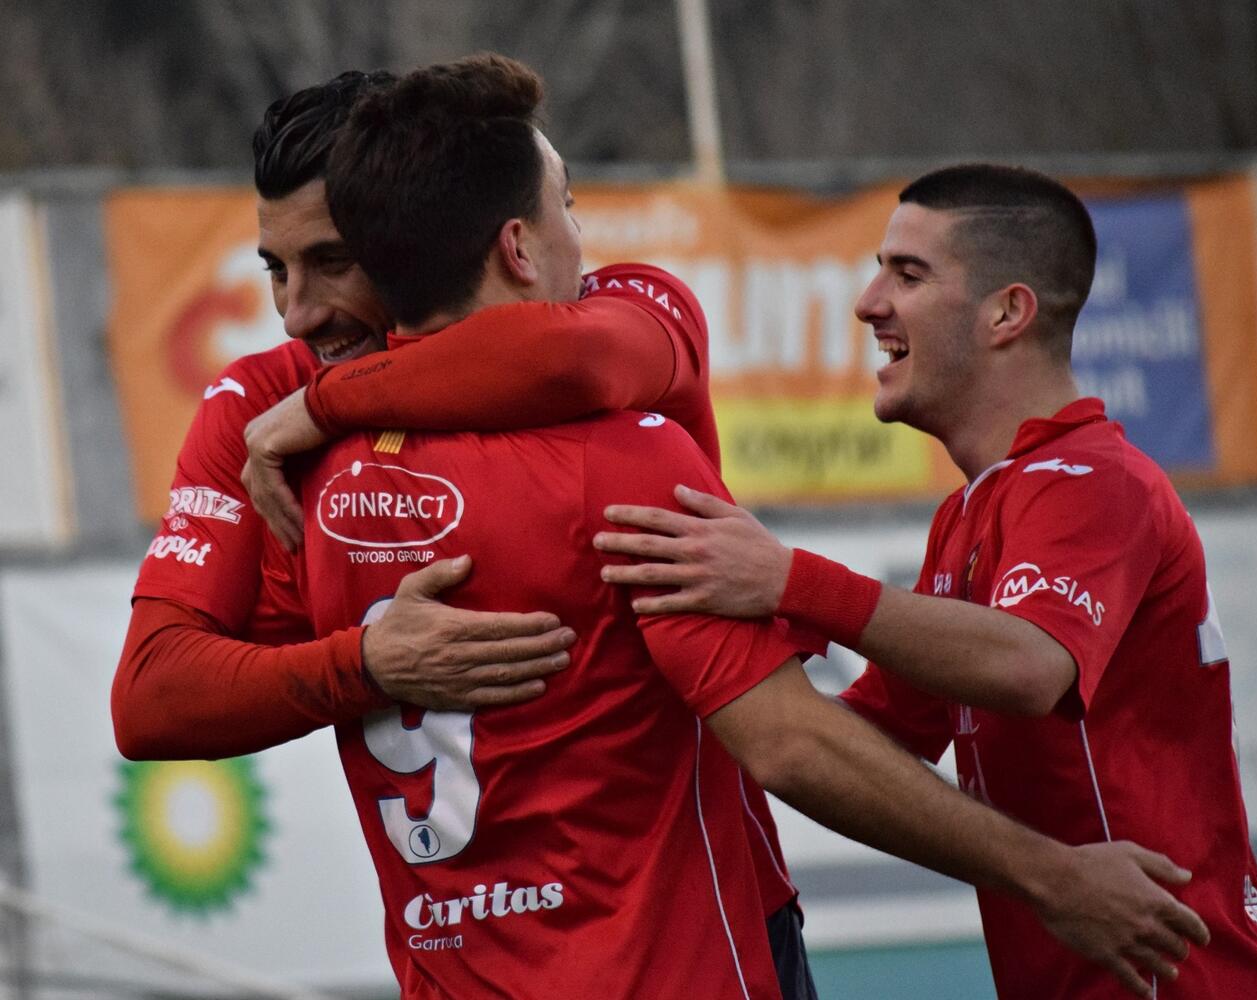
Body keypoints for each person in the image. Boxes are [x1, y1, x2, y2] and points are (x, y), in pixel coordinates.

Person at [275, 55, 1206, 998]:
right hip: (671, 972)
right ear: (519, 247)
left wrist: (325, 428)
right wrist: (1051, 875)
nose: (868, 302)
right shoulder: (623, 453)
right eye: (569, 209)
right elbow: (799, 743)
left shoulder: (311, 479)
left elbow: (177, 693)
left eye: (907, 273)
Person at [109, 69, 820, 994]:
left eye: (332, 261)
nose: (296, 312)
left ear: (407, 229)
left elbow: (569, 360)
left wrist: (329, 403)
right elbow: (151, 697)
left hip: (701, 938)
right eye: (276, 270)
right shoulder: (258, 407)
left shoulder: (616, 308)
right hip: (465, 969)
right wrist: (366, 664)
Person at [591, 163, 1257, 998]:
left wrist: (786, 580)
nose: (868, 303)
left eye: (908, 274)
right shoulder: (969, 514)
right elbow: (858, 746)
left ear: (1007, 313)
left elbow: (1028, 665)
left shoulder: (1095, 480)